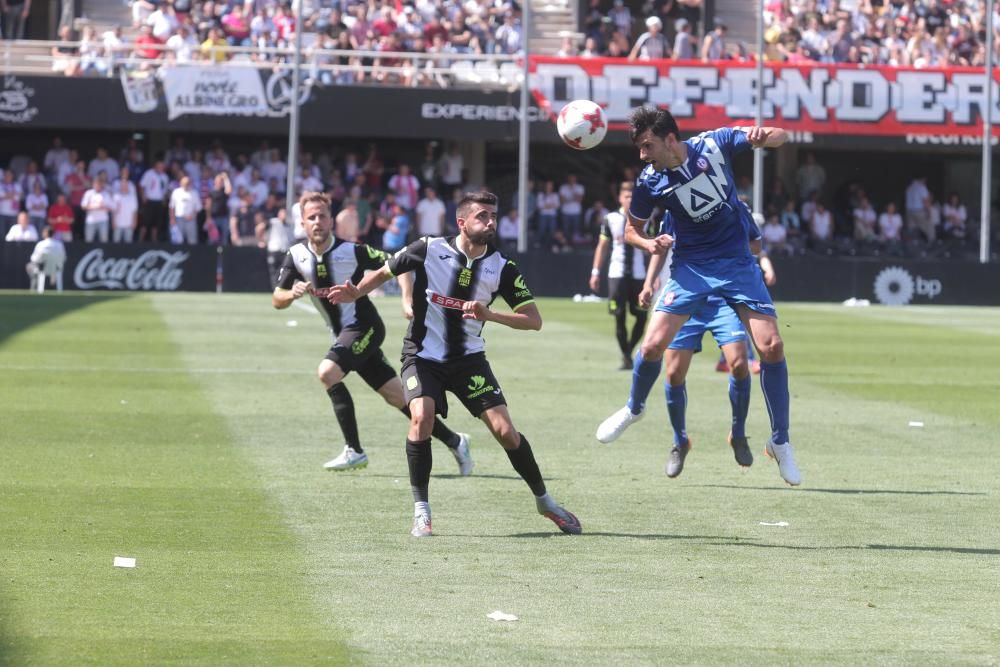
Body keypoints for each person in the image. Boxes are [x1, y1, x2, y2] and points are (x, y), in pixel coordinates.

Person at [328, 190, 581, 537]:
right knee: (421, 418)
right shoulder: (428, 248)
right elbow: (386, 270)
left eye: (493, 215)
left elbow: (533, 320)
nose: (490, 222)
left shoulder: (502, 267)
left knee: (506, 432)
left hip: (469, 361)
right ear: (462, 222)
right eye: (482, 216)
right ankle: (422, 512)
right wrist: (355, 291)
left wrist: (489, 314)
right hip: (422, 355)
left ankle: (545, 501)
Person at [594, 106, 801, 487]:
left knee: (771, 346)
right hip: (691, 268)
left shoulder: (715, 143)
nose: (642, 155)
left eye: (647, 145)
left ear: (670, 139)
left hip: (737, 263)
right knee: (653, 345)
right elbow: (631, 231)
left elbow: (781, 134)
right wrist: (649, 242)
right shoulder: (649, 181)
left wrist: (764, 136)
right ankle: (634, 408)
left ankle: (780, 441)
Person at [272, 192, 472, 475]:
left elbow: (399, 263)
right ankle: (455, 441)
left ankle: (354, 450)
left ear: (332, 220)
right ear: (303, 223)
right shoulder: (296, 256)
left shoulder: (351, 251)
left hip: (365, 327)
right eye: (311, 217)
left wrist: (405, 299)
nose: (318, 221)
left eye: (323, 216)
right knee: (398, 397)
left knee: (327, 372)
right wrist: (290, 294)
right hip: (343, 334)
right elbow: (276, 298)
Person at [606, 211, 765, 476]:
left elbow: (757, 245)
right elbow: (660, 245)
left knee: (738, 363)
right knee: (674, 372)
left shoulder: (733, 204)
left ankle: (738, 434)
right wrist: (648, 283)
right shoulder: (674, 206)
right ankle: (680, 441)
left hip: (723, 297)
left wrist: (723, 247)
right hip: (686, 293)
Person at [589, 182, 648, 371]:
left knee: (641, 317)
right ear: (620, 198)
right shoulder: (610, 219)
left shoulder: (647, 218)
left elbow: (654, 248)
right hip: (617, 274)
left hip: (639, 275)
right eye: (627, 196)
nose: (630, 199)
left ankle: (629, 351)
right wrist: (595, 272)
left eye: (633, 196)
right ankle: (626, 356)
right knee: (619, 316)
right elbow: (602, 246)